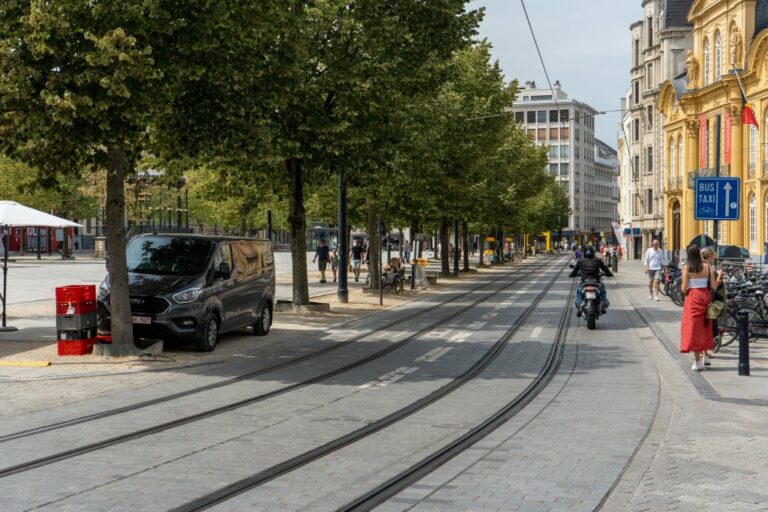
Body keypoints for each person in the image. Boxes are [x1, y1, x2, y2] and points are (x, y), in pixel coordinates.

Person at [680, 245, 720, 371]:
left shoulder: (687, 268)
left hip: (692, 298)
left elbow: (683, 288)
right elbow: (713, 286)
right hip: (705, 296)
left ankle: (697, 361)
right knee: (705, 327)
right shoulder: (707, 267)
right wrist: (719, 276)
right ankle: (705, 357)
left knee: (693, 329)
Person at [569, 245, 613, 315]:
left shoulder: (581, 261)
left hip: (585, 282)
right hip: (596, 282)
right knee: (602, 290)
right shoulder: (598, 260)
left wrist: (572, 275)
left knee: (579, 291)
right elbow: (605, 268)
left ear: (584, 253)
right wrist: (609, 274)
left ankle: (579, 304)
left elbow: (575, 271)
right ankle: (604, 303)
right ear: (593, 252)